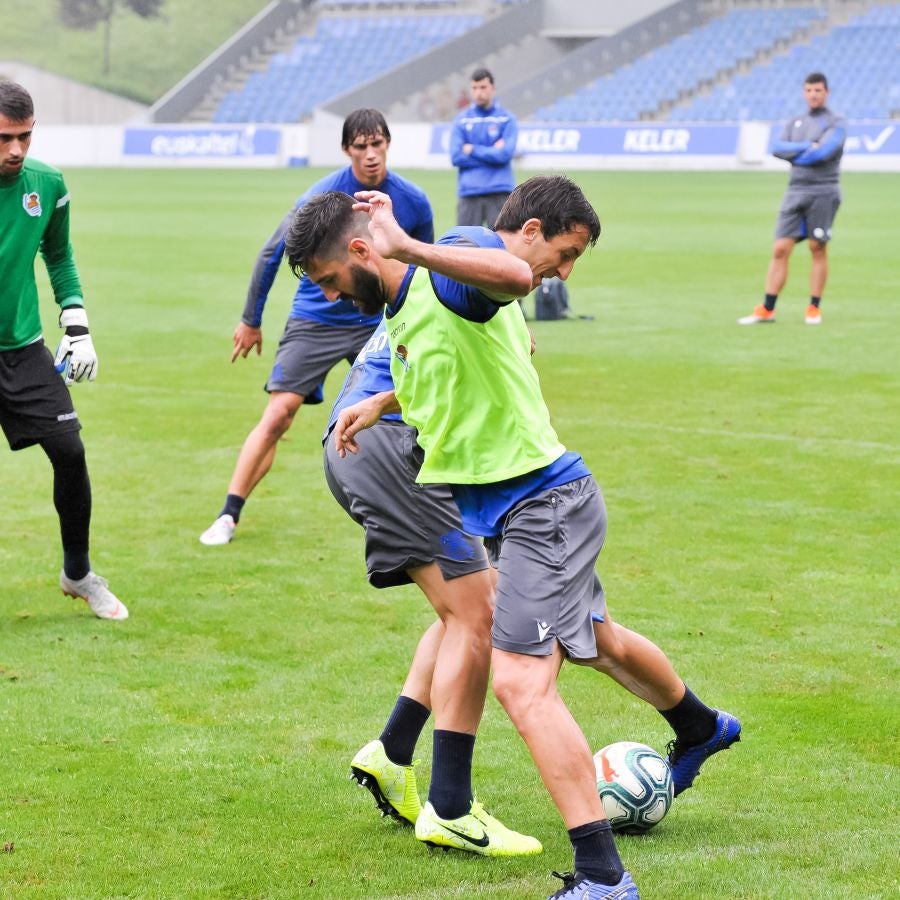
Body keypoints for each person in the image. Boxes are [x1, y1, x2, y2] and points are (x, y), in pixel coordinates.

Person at [286, 179, 741, 898]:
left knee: (522, 683)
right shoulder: (411, 304)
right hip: (523, 510)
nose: (334, 295)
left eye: (330, 278)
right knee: (598, 635)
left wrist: (411, 245)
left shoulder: (455, 262)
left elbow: (509, 271)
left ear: (364, 249)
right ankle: (702, 726)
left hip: (543, 506)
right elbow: (453, 362)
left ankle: (602, 878)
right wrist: (381, 400)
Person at [320, 322, 541, 856]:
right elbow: (455, 371)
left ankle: (393, 752)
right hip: (388, 445)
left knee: (465, 605)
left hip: (382, 443)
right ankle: (451, 808)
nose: (560, 275)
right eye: (562, 257)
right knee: (478, 615)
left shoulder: (455, 273)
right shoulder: (471, 274)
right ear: (527, 233)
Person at [199, 109, 433, 545]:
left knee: (415, 404)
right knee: (279, 413)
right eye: (360, 146)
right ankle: (228, 514)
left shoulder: (413, 201)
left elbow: (422, 264)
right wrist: (251, 320)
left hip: (377, 319)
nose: (370, 154)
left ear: (388, 145)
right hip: (317, 317)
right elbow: (273, 253)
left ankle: (434, 506)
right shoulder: (322, 195)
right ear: (347, 150)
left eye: (377, 143)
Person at [0, 82, 127, 620]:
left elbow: (59, 256)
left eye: (25, 136)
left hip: (23, 348)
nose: (17, 150)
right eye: (6, 138)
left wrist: (77, 329)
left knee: (70, 453)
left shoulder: (46, 184)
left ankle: (77, 573)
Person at [738, 72, 845, 326]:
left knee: (817, 248)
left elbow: (825, 153)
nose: (813, 95)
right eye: (809, 90)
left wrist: (796, 154)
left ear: (826, 92)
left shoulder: (836, 122)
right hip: (795, 190)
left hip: (823, 190)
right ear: (803, 92)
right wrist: (807, 146)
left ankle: (813, 308)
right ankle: (767, 308)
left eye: (818, 90)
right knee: (780, 248)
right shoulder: (795, 121)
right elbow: (777, 148)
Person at [449, 67, 518, 228]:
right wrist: (493, 151)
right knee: (465, 247)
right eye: (474, 88)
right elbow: (456, 156)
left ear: (493, 88)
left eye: (483, 87)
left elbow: (505, 154)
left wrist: (472, 149)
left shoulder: (506, 119)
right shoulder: (462, 120)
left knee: (502, 245)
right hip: (470, 192)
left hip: (500, 190)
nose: (478, 92)